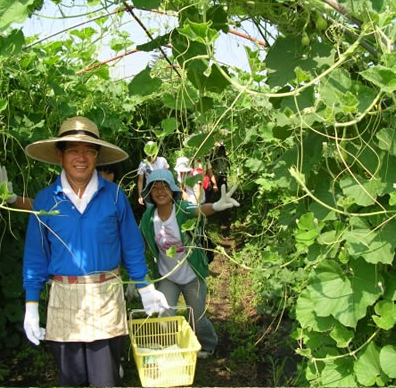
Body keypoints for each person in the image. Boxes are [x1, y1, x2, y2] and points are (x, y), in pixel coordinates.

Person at [21, 116, 169, 387]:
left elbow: (132, 247)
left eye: (89, 150)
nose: (81, 157)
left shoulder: (113, 196)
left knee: (105, 379)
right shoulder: (45, 200)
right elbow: (35, 256)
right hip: (64, 298)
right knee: (71, 378)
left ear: (97, 156)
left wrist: (145, 287)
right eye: (73, 150)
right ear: (60, 154)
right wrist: (31, 305)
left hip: (106, 297)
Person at [138, 169, 239, 359]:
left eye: (165, 186)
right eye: (155, 187)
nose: (160, 191)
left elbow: (198, 210)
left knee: (197, 318)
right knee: (164, 315)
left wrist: (216, 206)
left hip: (192, 275)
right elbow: (139, 243)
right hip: (167, 276)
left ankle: (209, 345)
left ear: (173, 190)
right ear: (149, 192)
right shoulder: (148, 218)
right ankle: (168, 349)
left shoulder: (182, 209)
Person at [136, 141, 169, 206]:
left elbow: (168, 176)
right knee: (151, 213)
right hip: (149, 192)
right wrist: (140, 196)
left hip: (163, 191)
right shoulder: (143, 164)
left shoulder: (162, 160)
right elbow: (140, 181)